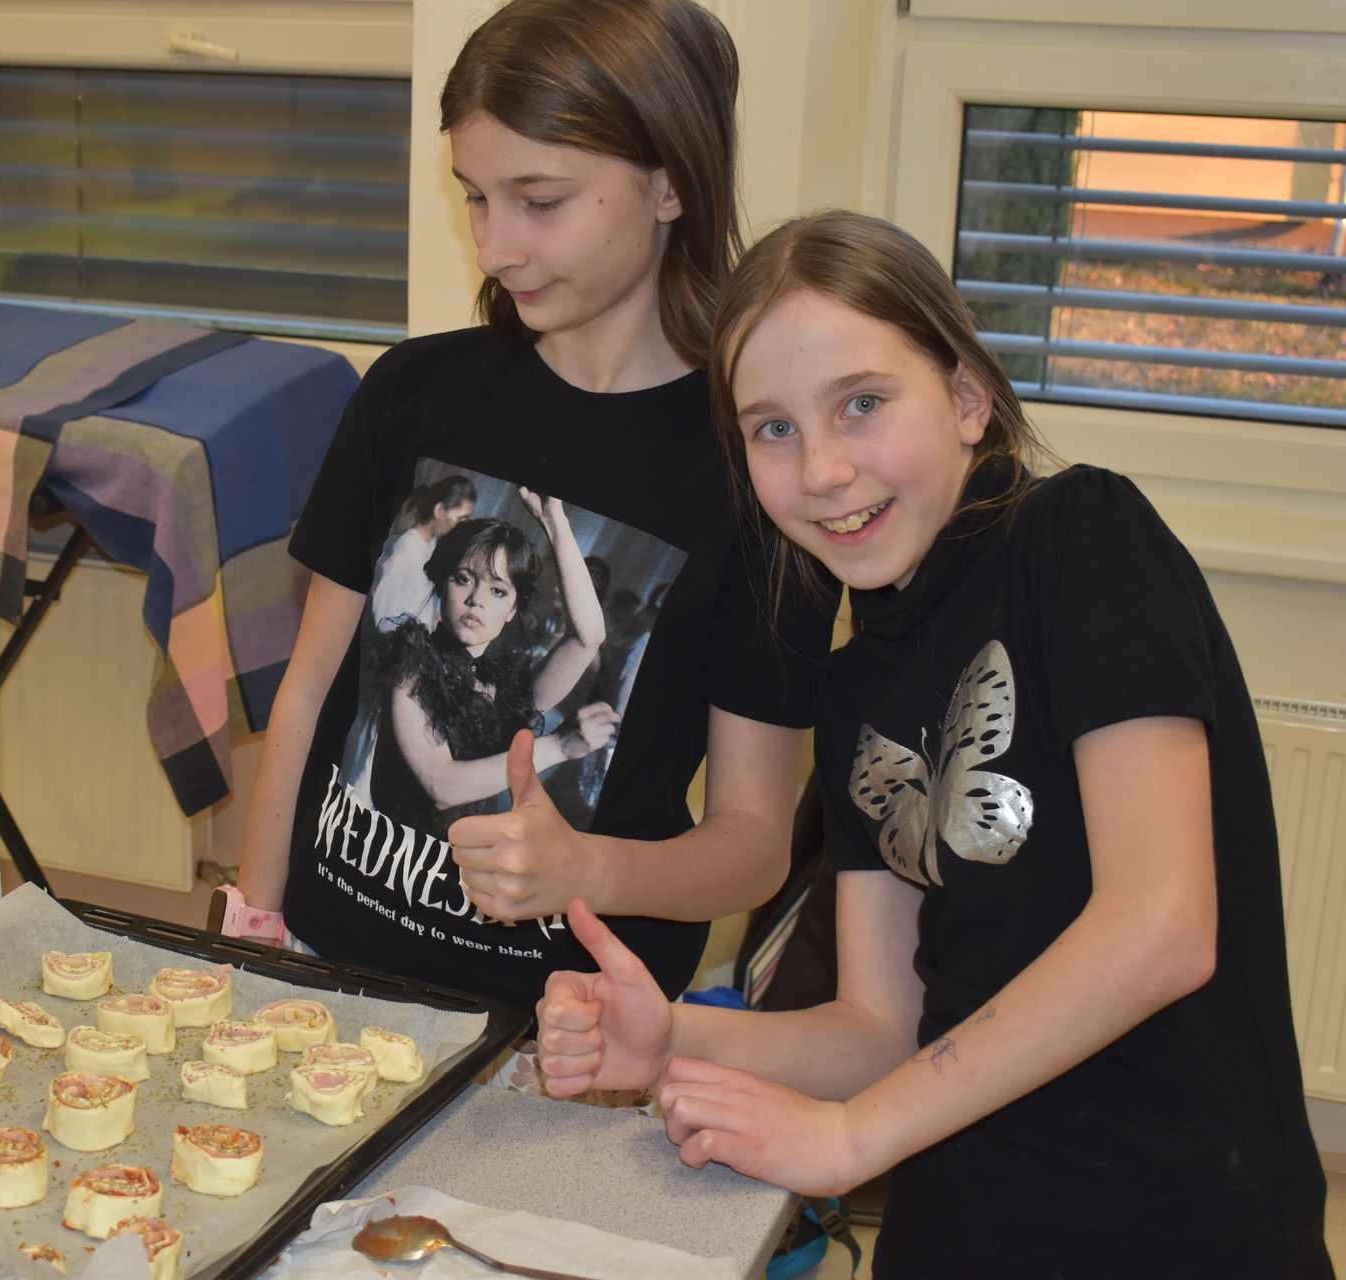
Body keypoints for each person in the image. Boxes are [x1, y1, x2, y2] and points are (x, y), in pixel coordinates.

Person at [535, 210, 1333, 1276]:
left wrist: (848, 1138)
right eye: (772, 429)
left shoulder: (1083, 537)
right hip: (959, 1230)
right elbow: (881, 1028)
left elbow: (1163, 926)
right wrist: (674, 1033)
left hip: (1180, 1232)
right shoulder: (854, 679)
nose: (822, 469)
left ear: (966, 396)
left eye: (861, 404)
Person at [226, 0, 832, 1009]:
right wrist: (257, 927)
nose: (494, 248)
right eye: (475, 198)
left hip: (564, 1029)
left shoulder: (759, 475)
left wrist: (590, 868)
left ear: (671, 183)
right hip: (325, 978)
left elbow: (757, 843)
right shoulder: (410, 394)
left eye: (539, 201)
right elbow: (308, 691)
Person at [369, 498, 617, 834]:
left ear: (513, 609)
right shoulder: (411, 660)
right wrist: (558, 746)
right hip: (387, 855)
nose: (477, 600)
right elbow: (442, 786)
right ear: (443, 583)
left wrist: (555, 522)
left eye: (498, 590)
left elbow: (588, 638)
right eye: (463, 579)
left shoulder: (503, 685)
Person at [370, 474, 477, 631]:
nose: (461, 526)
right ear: (439, 510)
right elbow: (384, 613)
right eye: (460, 519)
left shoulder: (431, 545)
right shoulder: (407, 550)